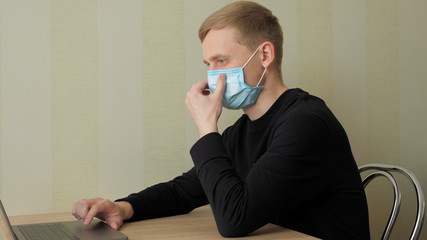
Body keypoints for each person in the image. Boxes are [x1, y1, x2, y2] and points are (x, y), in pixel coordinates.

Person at [72, 1, 370, 239]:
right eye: (208, 64)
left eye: (222, 61)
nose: (212, 75)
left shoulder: (306, 123)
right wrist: (123, 207)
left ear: (265, 54)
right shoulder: (243, 130)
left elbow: (234, 221)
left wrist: (206, 128)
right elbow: (183, 190)